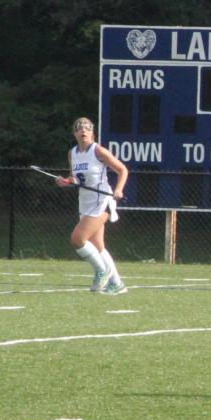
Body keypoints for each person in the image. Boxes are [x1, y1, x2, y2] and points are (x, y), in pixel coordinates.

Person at [53, 117, 128, 294]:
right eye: (79, 128)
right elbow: (75, 179)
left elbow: (122, 170)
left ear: (92, 132)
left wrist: (118, 189)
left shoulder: (98, 151)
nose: (83, 131)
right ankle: (117, 284)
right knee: (98, 245)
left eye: (87, 128)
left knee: (77, 239)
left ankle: (102, 271)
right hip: (85, 202)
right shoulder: (73, 153)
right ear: (75, 133)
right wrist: (65, 181)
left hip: (102, 202)